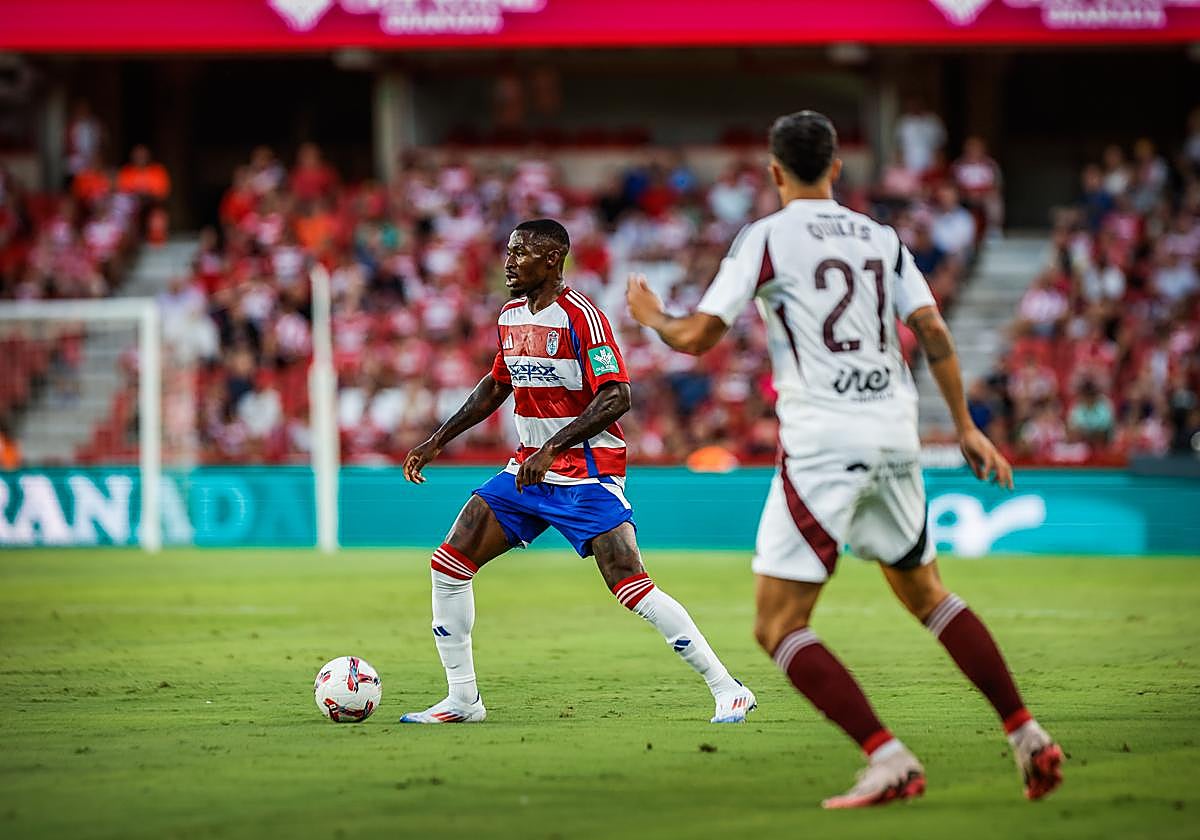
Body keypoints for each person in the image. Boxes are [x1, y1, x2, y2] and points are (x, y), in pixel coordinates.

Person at [626, 111, 1063, 808]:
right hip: (896, 430)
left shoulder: (765, 236)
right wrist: (967, 428)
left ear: (774, 172)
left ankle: (888, 759)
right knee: (929, 595)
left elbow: (700, 335)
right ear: (836, 168)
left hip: (825, 439)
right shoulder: (882, 238)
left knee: (777, 625)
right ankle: (1026, 733)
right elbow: (932, 330)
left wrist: (652, 316)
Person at [400, 218, 755, 725]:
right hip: (526, 468)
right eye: (508, 251)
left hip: (587, 472)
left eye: (519, 253)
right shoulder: (508, 316)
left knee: (631, 584)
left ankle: (728, 688)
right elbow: (495, 386)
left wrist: (554, 446)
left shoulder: (582, 316)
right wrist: (438, 439)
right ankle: (463, 700)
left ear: (551, 260)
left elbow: (617, 395)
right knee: (449, 565)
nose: (508, 263)